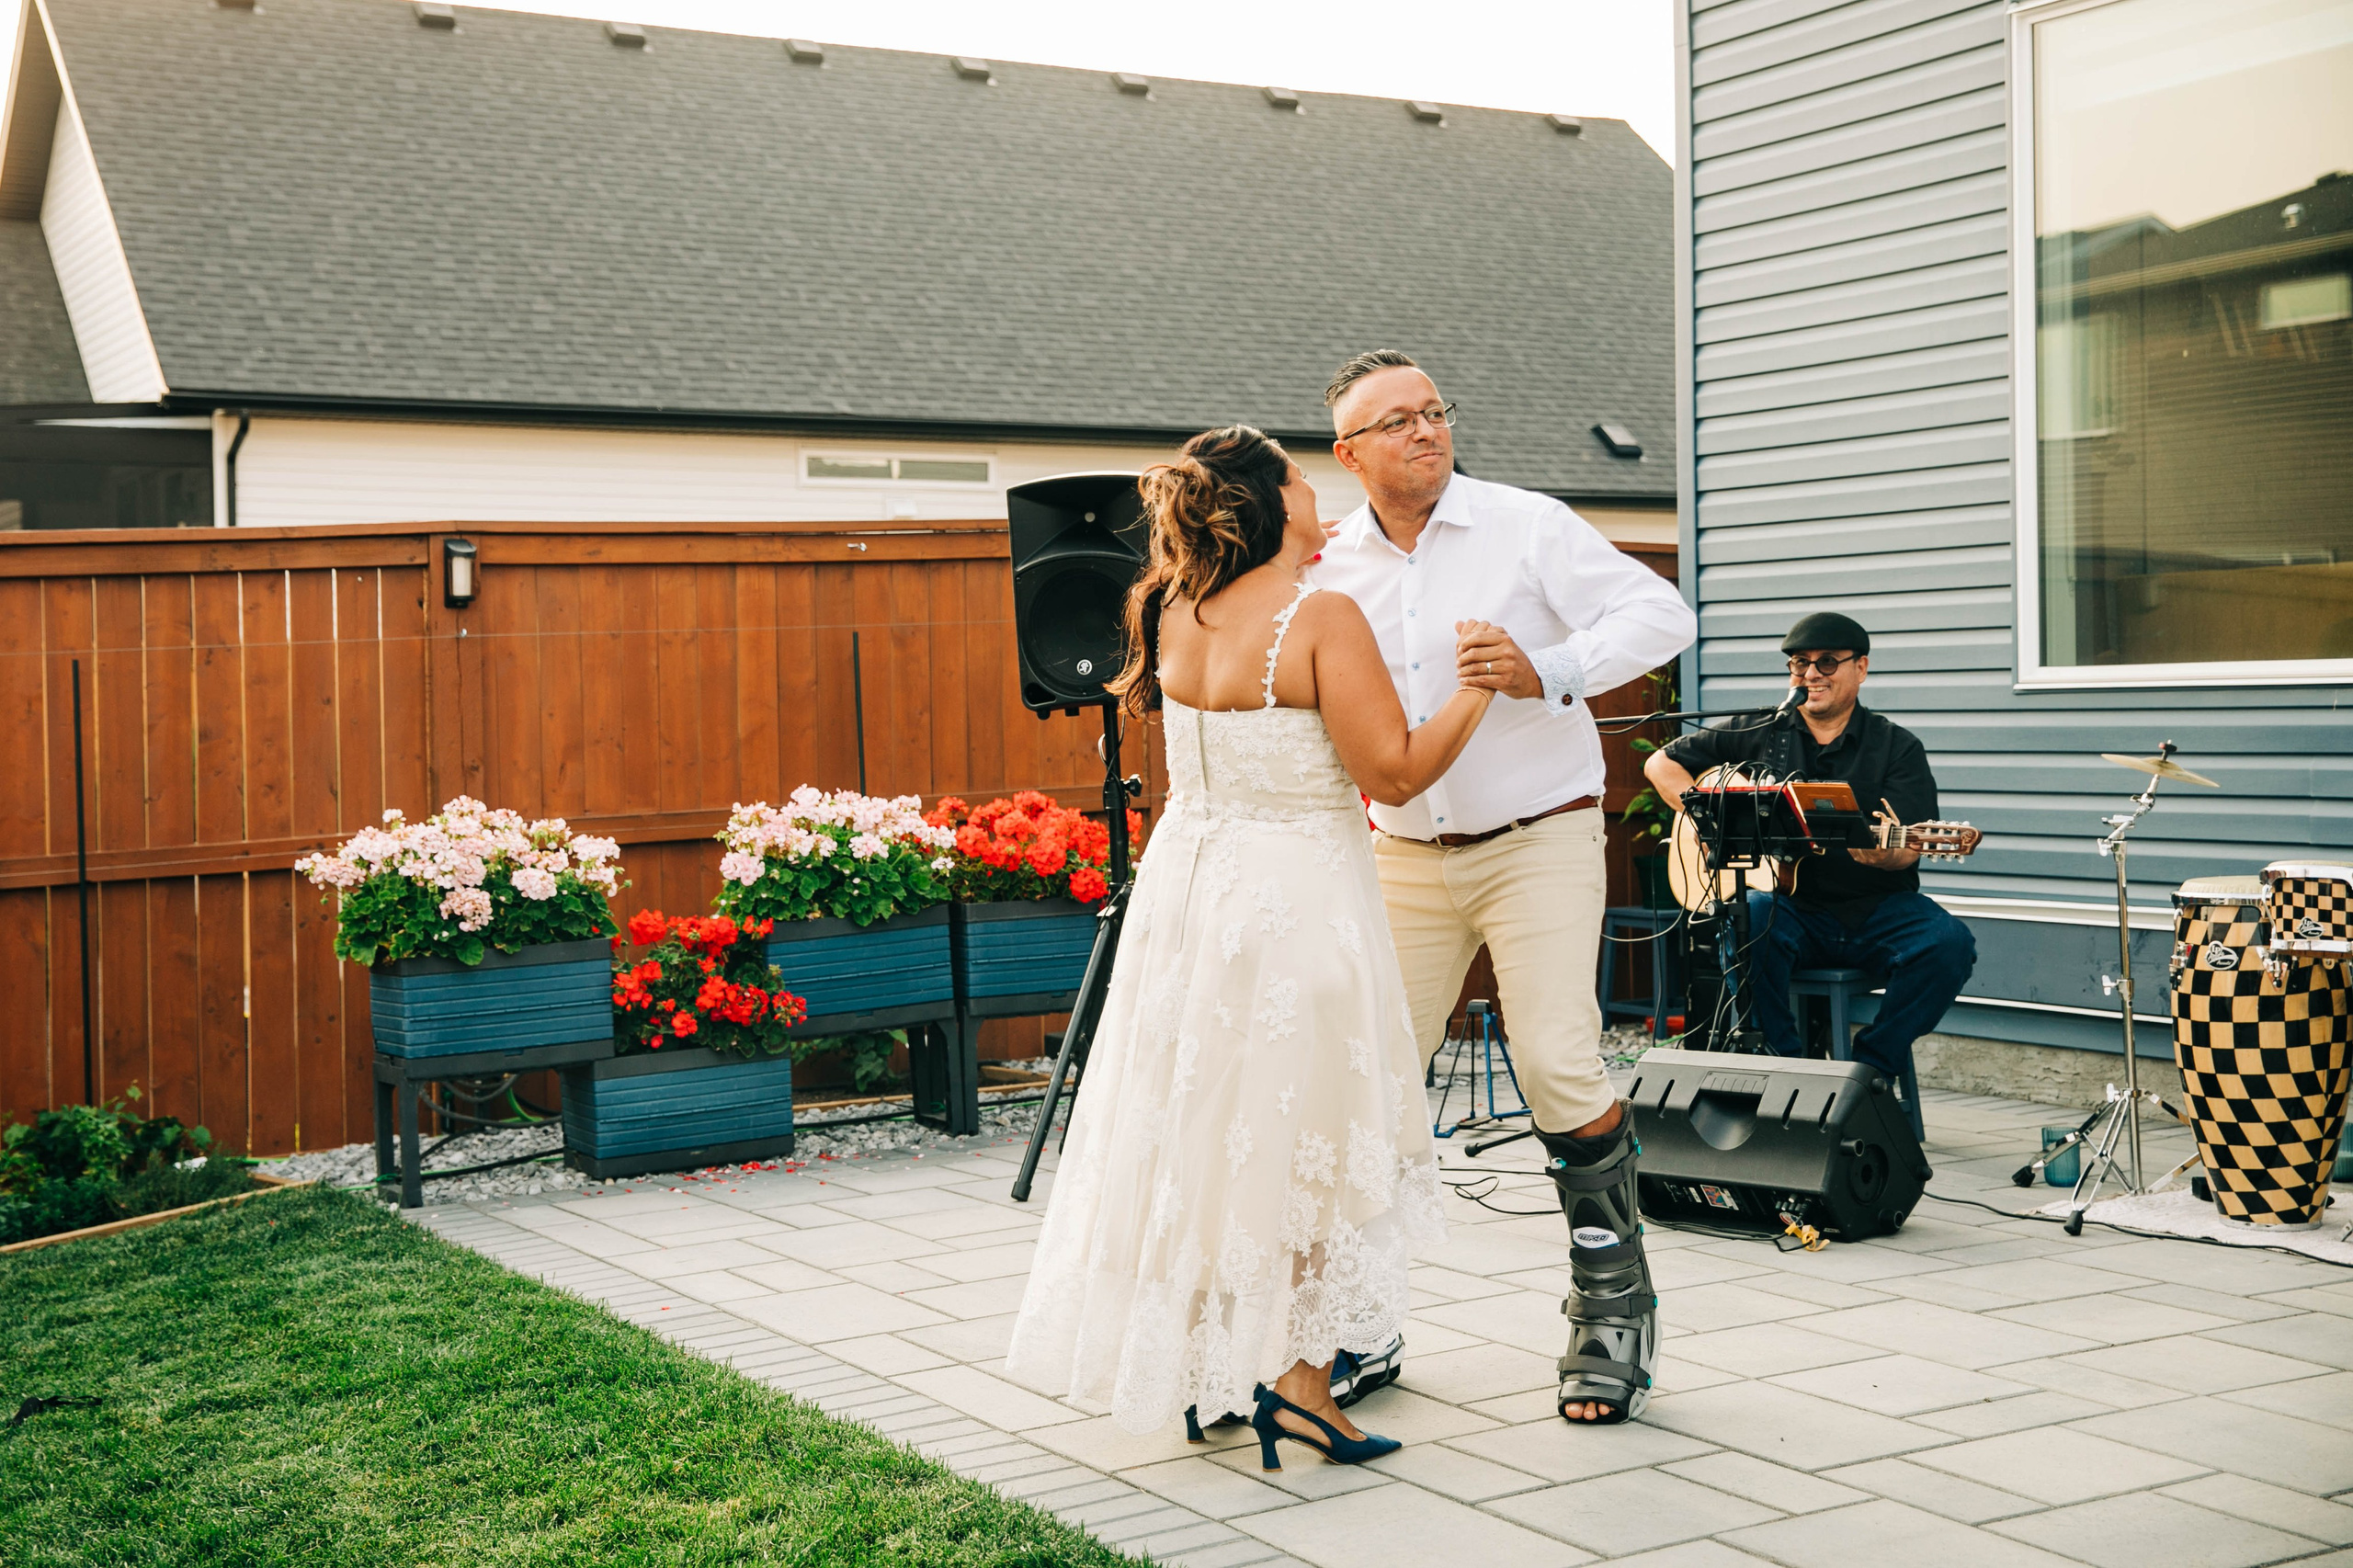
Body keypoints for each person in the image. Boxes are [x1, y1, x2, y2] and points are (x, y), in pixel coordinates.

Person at [1004, 425, 1506, 1469]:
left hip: (1192, 903)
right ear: (1268, 506)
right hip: (1297, 905)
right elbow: (1395, 772)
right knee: (1310, 1140)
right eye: (1305, 485)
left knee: (1207, 1133)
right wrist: (1479, 687)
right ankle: (1302, 1390)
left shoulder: (1169, 607)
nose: (1323, 503)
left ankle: (1209, 1375)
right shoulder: (1320, 615)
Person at [1310, 350, 1698, 1426]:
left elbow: (1662, 614)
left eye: (1434, 409)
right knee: (1371, 1079)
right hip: (1398, 853)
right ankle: (1360, 1317)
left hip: (1539, 837)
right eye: (1396, 420)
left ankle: (1612, 1304)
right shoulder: (1328, 564)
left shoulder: (1526, 524)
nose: (1425, 429)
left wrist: (1548, 668)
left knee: (1556, 1057)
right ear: (1349, 453)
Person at [1642, 610, 1977, 1092]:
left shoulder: (1896, 747)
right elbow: (1661, 764)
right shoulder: (1757, 729)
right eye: (1800, 663)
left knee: (1949, 945)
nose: (1812, 674)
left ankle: (1869, 1072)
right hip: (1788, 909)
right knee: (1746, 921)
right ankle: (1789, 1073)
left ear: (1861, 668)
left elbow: (1907, 850)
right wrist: (1711, 819)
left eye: (1827, 662)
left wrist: (1885, 853)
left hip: (1877, 908)